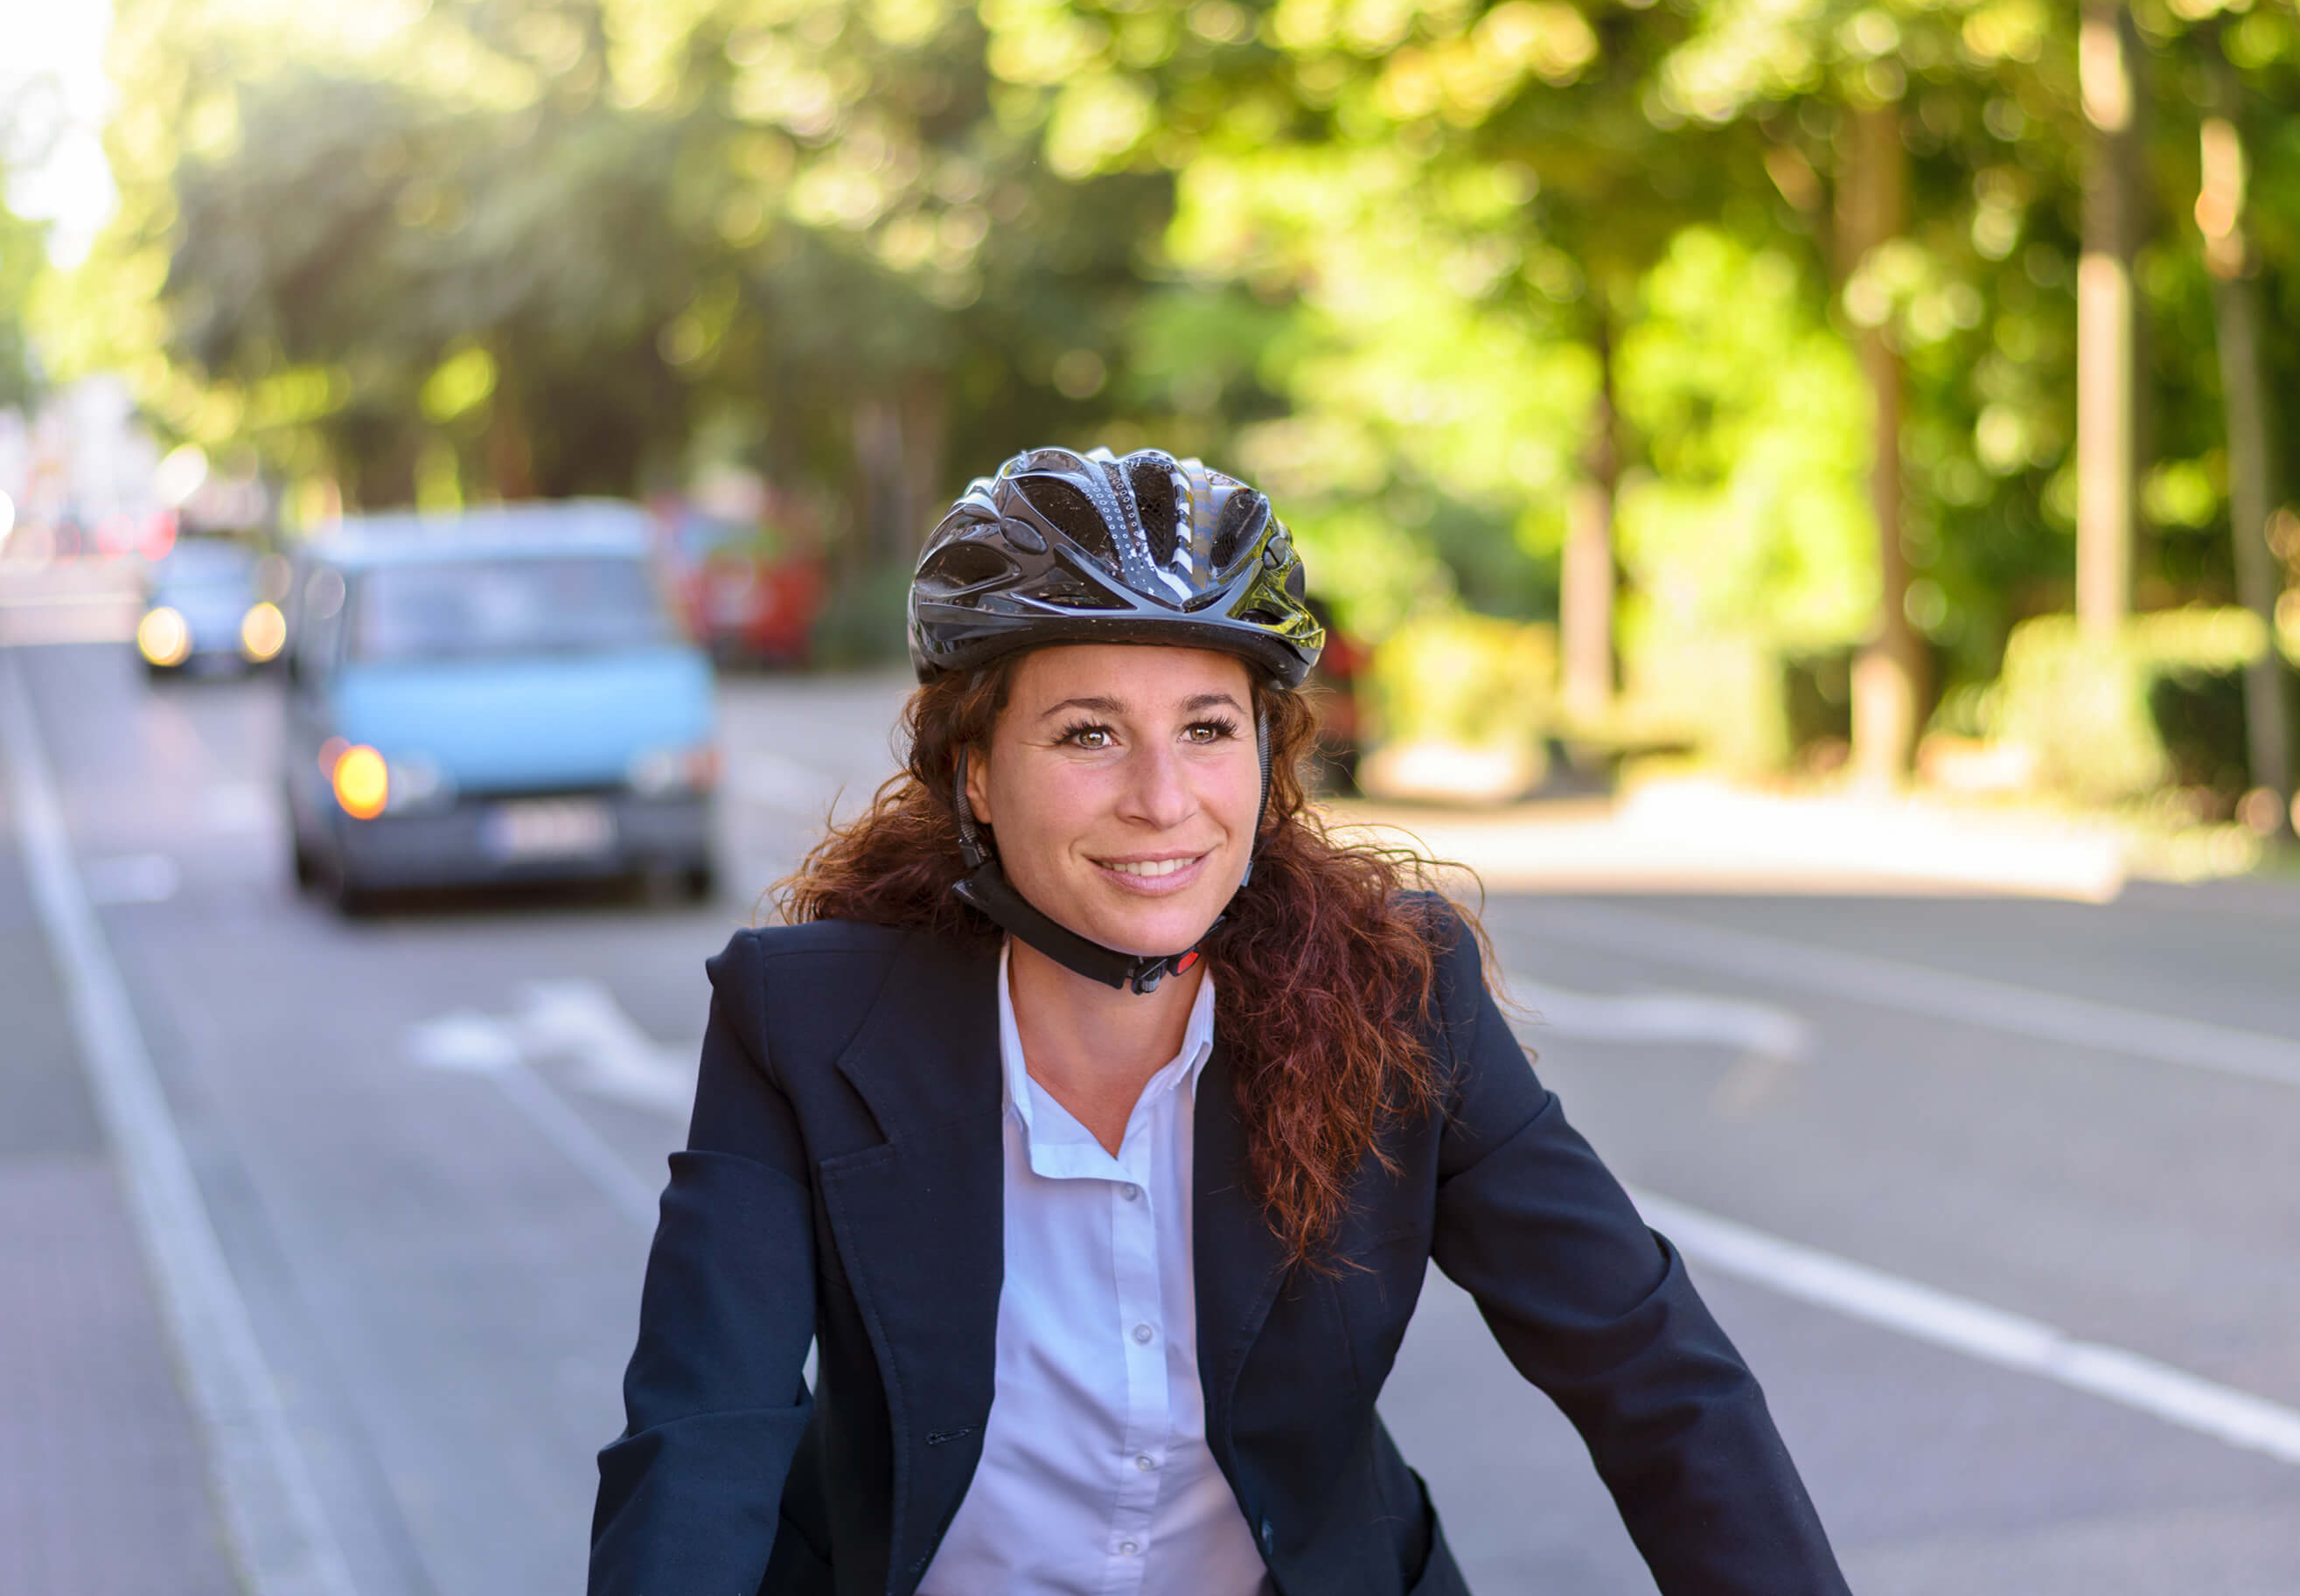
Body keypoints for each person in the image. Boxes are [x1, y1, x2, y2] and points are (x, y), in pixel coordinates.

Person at [589, 446, 1848, 1596]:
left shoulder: (1403, 998)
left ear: (1266, 756)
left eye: (1205, 730)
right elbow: (700, 1439)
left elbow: (1654, 1376)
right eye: (1089, 733)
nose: (1162, 799)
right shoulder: (801, 1022)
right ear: (975, 770)